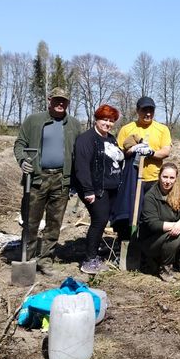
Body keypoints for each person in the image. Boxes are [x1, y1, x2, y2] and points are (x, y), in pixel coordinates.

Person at [14, 87, 82, 275]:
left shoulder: (74, 125)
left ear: (68, 103)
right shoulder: (34, 121)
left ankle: (45, 260)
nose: (61, 104)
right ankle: (26, 258)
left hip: (62, 180)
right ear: (49, 100)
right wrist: (22, 161)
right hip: (36, 179)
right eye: (57, 100)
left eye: (64, 101)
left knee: (54, 223)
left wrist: (77, 181)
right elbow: (20, 143)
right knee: (30, 221)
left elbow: (79, 152)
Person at [73, 104, 124, 275]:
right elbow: (81, 166)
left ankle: (100, 251)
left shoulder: (110, 138)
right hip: (96, 189)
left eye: (111, 121)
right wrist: (88, 190)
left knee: (106, 220)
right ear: (97, 119)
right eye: (104, 119)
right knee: (99, 221)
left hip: (111, 187)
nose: (108, 123)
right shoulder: (86, 139)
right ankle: (89, 260)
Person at [138, 162, 180, 282]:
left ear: (175, 179)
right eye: (165, 177)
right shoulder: (151, 196)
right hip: (152, 241)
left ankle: (165, 260)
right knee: (176, 234)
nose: (168, 181)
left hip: (173, 237)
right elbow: (153, 224)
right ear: (159, 176)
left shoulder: (179, 192)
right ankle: (165, 269)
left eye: (171, 178)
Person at [116, 96, 172, 189]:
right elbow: (119, 154)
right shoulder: (126, 129)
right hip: (132, 178)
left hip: (154, 179)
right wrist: (132, 150)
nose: (148, 114)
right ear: (137, 110)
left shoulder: (162, 129)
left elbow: (166, 152)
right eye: (144, 110)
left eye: (151, 110)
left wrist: (151, 153)